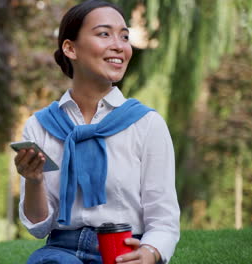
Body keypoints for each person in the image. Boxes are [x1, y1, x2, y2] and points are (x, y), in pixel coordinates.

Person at [14, 1, 180, 263]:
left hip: (123, 249)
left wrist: (149, 253)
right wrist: (34, 180)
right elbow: (38, 227)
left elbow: (164, 219)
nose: (119, 45)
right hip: (60, 252)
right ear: (70, 48)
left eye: (124, 36)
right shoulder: (40, 125)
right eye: (104, 34)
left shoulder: (146, 124)